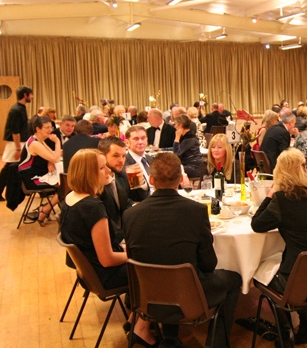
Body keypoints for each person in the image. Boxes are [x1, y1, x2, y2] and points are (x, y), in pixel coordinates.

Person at [123, 153, 242, 348]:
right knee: (233, 279)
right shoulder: (195, 211)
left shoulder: (130, 215)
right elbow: (208, 263)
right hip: (188, 296)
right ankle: (216, 343)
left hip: (146, 295)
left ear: (151, 180)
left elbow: (134, 256)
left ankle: (170, 338)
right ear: (180, 179)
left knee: (167, 265)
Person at [59, 149, 155, 347]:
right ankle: (142, 328)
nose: (108, 172)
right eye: (102, 168)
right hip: (103, 274)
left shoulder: (70, 198)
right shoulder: (92, 208)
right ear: (88, 173)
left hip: (87, 273)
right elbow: (107, 259)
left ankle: (134, 319)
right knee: (154, 268)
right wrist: (132, 253)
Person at [251, 149, 307, 347]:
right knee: (295, 263)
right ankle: (305, 324)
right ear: (304, 168)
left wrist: (270, 195)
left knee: (259, 272)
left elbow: (257, 224)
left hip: (298, 281)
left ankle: (285, 330)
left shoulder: (282, 199)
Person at [98, 136, 146, 239]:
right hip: (109, 237)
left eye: (124, 156)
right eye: (116, 156)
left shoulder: (121, 175)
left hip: (123, 231)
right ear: (102, 156)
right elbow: (103, 219)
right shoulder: (97, 183)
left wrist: (141, 181)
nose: (121, 160)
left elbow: (135, 199)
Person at [18, 116, 62, 225]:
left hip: (37, 174)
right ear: (38, 129)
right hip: (31, 179)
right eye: (47, 127)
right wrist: (57, 142)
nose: (50, 130)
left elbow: (52, 155)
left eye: (51, 127)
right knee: (64, 186)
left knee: (65, 183)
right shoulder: (34, 143)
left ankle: (49, 209)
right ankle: (45, 209)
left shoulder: (40, 141)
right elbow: (55, 158)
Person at [0, 85, 33, 202]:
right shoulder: (16, 110)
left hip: (19, 143)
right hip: (15, 144)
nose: (32, 96)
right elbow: (15, 132)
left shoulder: (21, 107)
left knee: (17, 167)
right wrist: (18, 148)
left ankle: (21, 189)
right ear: (25, 95)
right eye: (31, 94)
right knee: (8, 168)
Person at [124, 125, 153, 198]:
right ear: (127, 142)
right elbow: (138, 196)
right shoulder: (126, 164)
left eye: (143, 138)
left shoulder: (152, 159)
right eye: (136, 139)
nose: (140, 142)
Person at [172, 114, 204, 179]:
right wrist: (162, 149)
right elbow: (179, 148)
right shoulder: (186, 137)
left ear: (180, 125)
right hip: (188, 165)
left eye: (175, 124)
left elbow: (176, 154)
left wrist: (177, 138)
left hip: (193, 167)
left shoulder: (190, 138)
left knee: (171, 171)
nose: (174, 126)